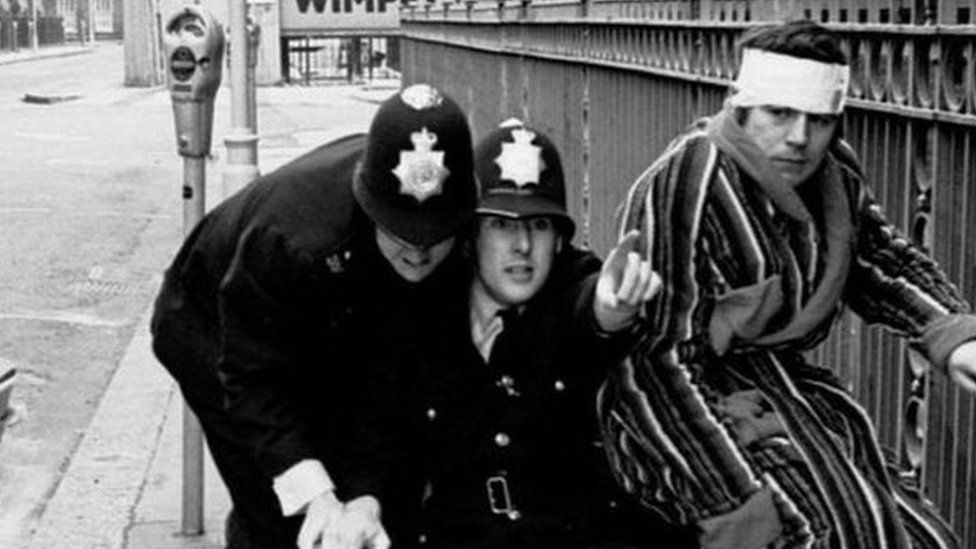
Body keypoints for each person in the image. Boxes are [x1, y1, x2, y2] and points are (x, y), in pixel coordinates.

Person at [597, 20, 976, 549]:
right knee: (812, 533)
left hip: (789, 394)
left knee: (921, 535)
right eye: (780, 114)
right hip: (686, 410)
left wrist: (954, 334)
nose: (800, 138)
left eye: (819, 120)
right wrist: (733, 502)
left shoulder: (834, 175)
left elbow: (879, 262)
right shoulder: (686, 182)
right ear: (742, 105)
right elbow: (654, 361)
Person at [149, 83, 477, 549]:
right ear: (369, 207)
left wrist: (369, 494)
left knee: (384, 503)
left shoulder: (466, 213)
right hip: (213, 327)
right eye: (400, 235)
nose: (419, 254)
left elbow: (394, 377)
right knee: (282, 512)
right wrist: (318, 496)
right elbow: (252, 378)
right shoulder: (296, 240)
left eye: (434, 236)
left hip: (337, 327)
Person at [324, 120, 676, 549]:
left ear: (561, 241)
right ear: (470, 234)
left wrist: (611, 309)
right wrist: (364, 501)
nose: (523, 245)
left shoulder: (571, 288)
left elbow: (590, 309)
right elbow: (378, 433)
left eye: (541, 225)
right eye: (502, 225)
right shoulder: (424, 311)